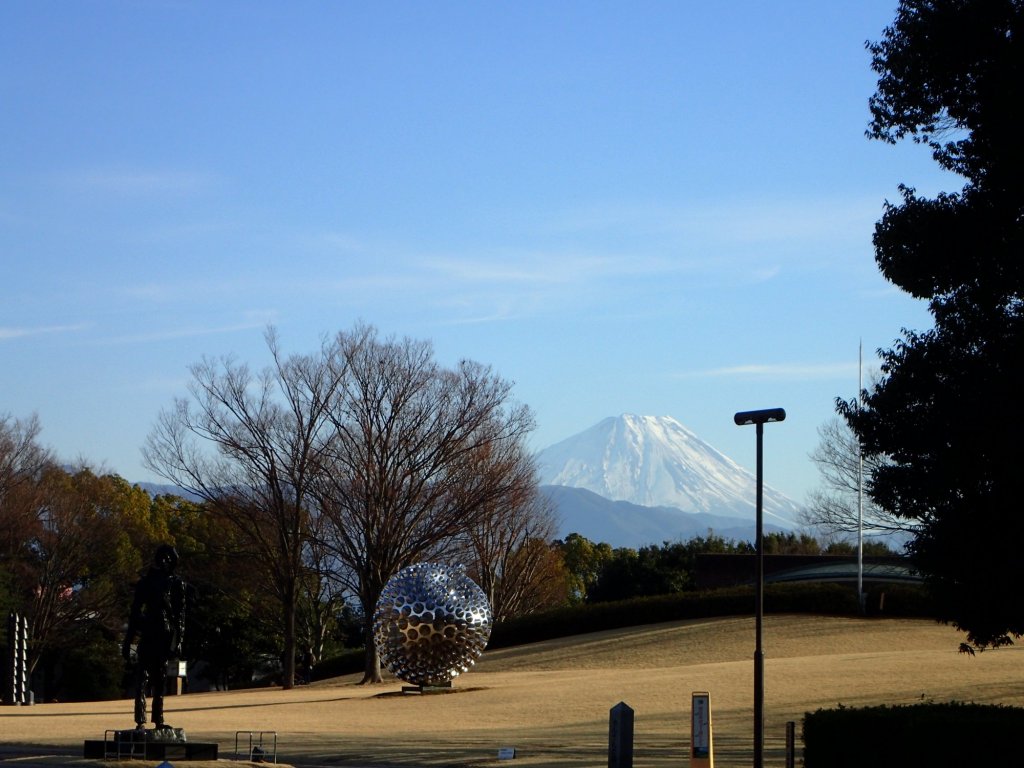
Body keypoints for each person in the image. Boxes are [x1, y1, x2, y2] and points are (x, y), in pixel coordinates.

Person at [122, 544, 186, 729]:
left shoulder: (176, 583)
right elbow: (134, 613)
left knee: (161, 678)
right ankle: (140, 720)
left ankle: (158, 719)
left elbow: (180, 616)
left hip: (164, 635)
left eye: (169, 558)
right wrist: (128, 641)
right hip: (149, 631)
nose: (165, 561)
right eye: (162, 557)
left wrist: (179, 640)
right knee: (142, 677)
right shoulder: (146, 583)